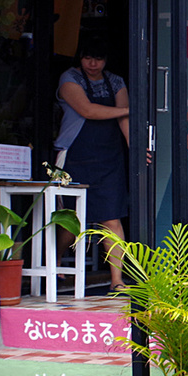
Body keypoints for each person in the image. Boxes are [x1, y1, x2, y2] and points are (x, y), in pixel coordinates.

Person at [55, 36, 131, 293]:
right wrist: (128, 110)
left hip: (109, 157)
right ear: (80, 57)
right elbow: (88, 110)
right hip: (76, 153)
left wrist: (136, 147)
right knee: (72, 219)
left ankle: (117, 280)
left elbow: (124, 122)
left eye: (98, 59)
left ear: (106, 60)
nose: (93, 63)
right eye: (88, 58)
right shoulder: (69, 79)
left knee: (111, 219)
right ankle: (55, 264)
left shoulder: (116, 81)